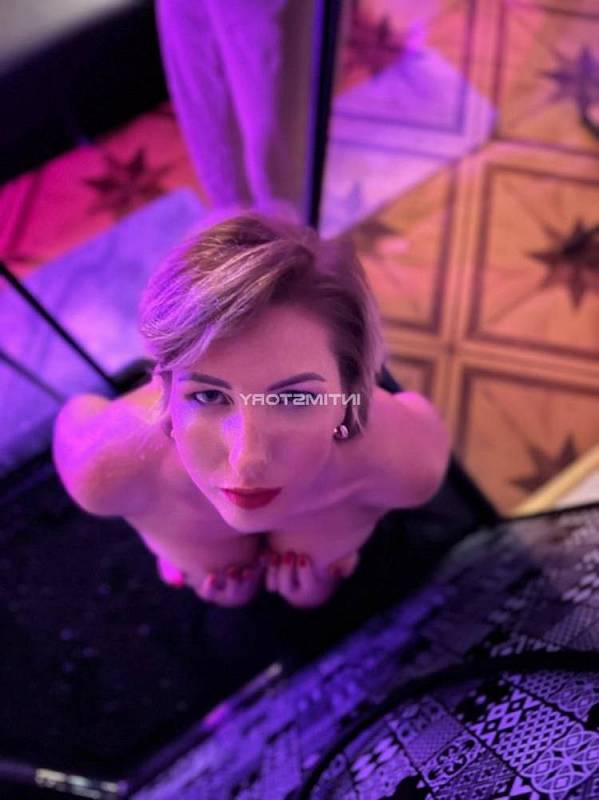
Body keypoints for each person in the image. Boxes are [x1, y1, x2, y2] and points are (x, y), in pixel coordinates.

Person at [52, 213, 450, 609]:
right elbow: (77, 413)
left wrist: (317, 590)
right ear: (166, 389)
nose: (246, 460)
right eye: (209, 396)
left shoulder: (406, 465)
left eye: (293, 399)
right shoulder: (105, 465)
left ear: (350, 393)